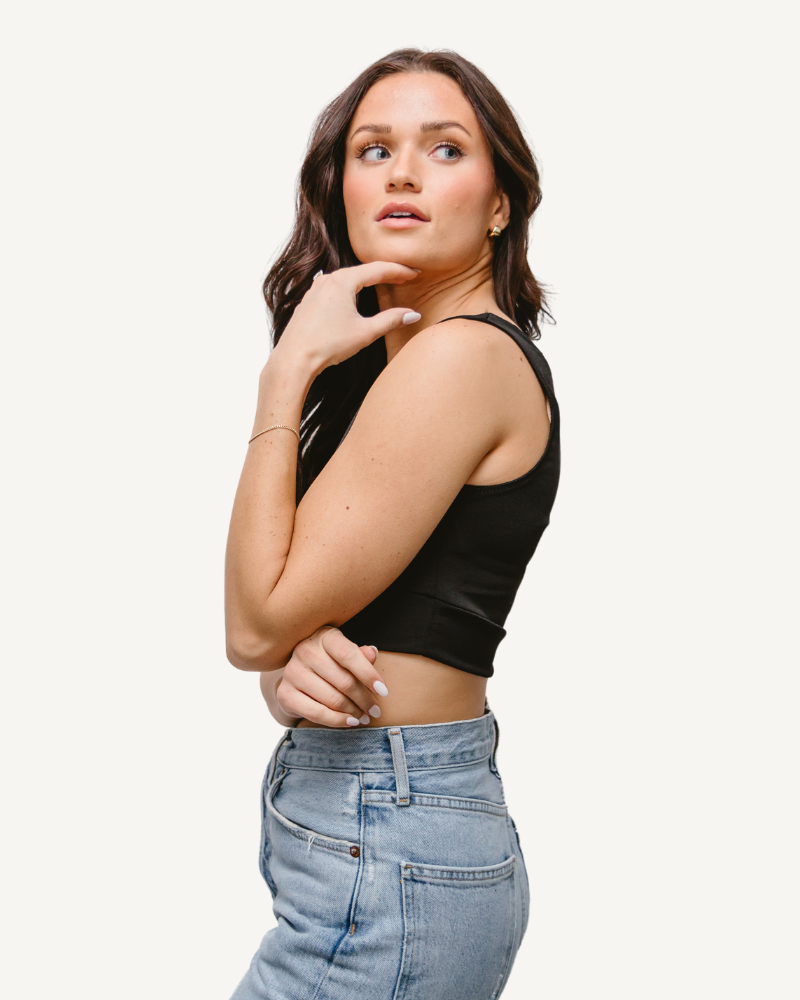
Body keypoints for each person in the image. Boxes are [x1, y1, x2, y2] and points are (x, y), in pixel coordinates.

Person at [224, 47, 560, 1000]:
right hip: (382, 826)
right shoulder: (400, 366)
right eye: (373, 149)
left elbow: (251, 622)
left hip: (394, 835)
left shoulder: (461, 358)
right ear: (338, 190)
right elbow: (279, 639)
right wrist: (293, 680)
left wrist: (283, 372)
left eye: (445, 149)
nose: (404, 171)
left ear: (501, 205)